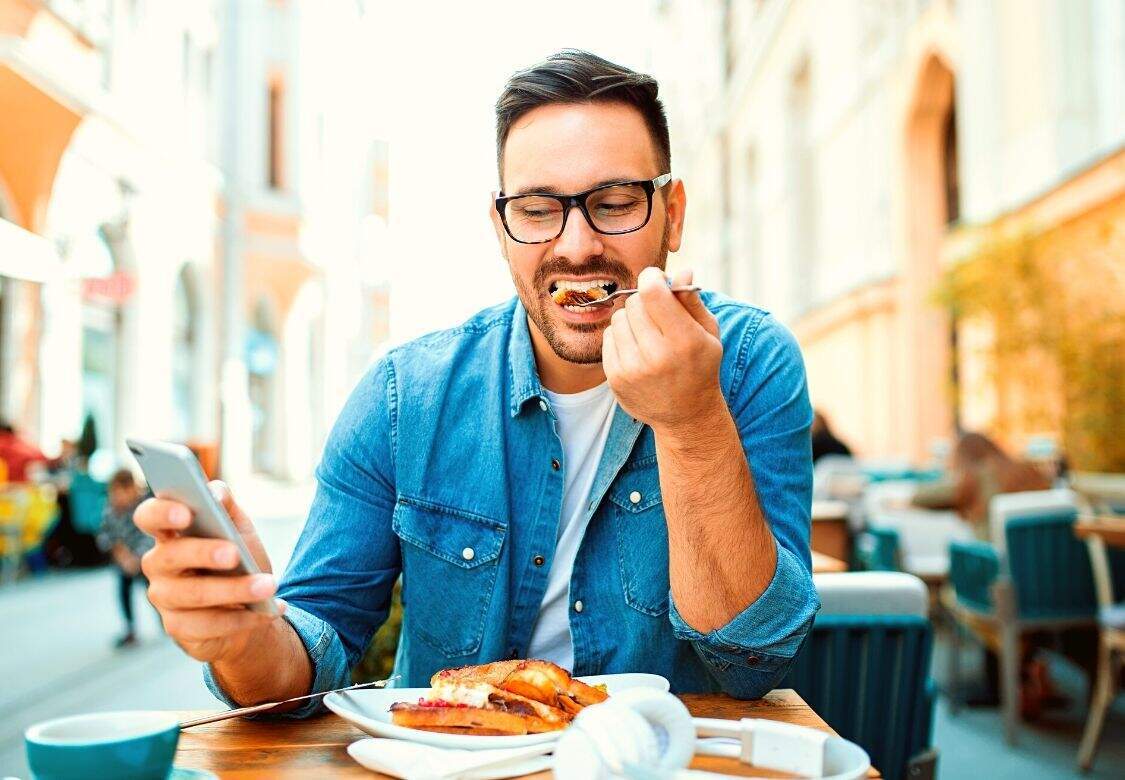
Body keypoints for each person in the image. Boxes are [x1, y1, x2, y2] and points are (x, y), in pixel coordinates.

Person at [135, 50, 819, 716]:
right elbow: (310, 657)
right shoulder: (407, 397)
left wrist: (691, 420)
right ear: (500, 227)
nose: (576, 245)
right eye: (536, 209)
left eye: (612, 203)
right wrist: (243, 635)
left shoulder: (749, 363)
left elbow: (752, 660)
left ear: (671, 213)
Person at [911, 431, 1049, 534]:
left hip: (994, 560)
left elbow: (919, 497)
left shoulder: (973, 478)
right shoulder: (1027, 470)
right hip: (1039, 557)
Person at [98, 468, 153, 647]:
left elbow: (149, 536)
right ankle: (130, 628)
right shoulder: (109, 510)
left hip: (145, 558)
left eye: (122, 492)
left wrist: (136, 558)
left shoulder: (144, 507)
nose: (118, 498)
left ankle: (166, 620)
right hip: (124, 558)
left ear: (132, 489)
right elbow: (104, 536)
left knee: (153, 592)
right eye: (114, 493)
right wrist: (119, 553)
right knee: (123, 590)